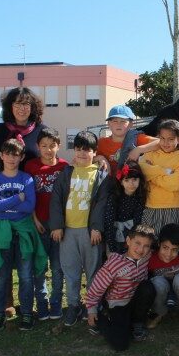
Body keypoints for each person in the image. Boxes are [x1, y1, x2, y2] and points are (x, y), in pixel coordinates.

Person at [50, 131, 111, 327]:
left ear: (95, 152)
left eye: (87, 150)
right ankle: (73, 306)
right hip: (68, 232)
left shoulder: (101, 175)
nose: (82, 153)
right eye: (78, 149)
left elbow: (102, 204)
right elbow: (56, 201)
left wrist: (96, 228)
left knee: (93, 271)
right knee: (71, 272)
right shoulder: (66, 173)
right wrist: (57, 225)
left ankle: (92, 306)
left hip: (89, 233)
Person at [0, 138, 46, 331]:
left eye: (16, 155)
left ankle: (27, 313)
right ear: (1, 155)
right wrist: (17, 198)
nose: (12, 158)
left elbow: (29, 206)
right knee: (2, 276)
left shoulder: (26, 179)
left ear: (21, 157)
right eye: (8, 154)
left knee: (26, 275)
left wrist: (11, 206)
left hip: (23, 232)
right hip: (3, 233)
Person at [86, 224, 156, 351]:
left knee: (148, 287)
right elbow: (97, 286)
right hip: (118, 304)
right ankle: (102, 319)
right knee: (120, 345)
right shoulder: (114, 263)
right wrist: (92, 309)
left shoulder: (147, 256)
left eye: (146, 246)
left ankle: (137, 323)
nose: (141, 249)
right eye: (137, 243)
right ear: (128, 241)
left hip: (135, 301)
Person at [24, 127, 68, 321]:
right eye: (44, 146)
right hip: (38, 224)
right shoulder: (31, 167)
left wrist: (61, 224)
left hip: (59, 226)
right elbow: (28, 196)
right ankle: (42, 304)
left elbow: (68, 199)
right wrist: (34, 220)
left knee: (58, 267)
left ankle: (56, 303)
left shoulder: (65, 167)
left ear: (58, 146)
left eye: (52, 146)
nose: (48, 150)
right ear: (38, 147)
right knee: (39, 267)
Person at [139, 119, 179, 236]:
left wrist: (152, 176)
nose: (166, 143)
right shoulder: (151, 153)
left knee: (173, 246)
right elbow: (142, 169)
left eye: (171, 139)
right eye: (162, 138)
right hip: (151, 207)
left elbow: (175, 184)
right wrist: (164, 171)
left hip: (174, 208)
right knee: (150, 247)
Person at [146, 223, 179, 330]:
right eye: (165, 247)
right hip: (161, 295)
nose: (169, 253)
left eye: (175, 249)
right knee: (157, 282)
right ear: (159, 244)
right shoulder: (150, 258)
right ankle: (157, 312)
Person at [0, 87, 47, 165]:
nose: (22, 108)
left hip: (32, 177)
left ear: (32, 107)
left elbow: (50, 159)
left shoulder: (42, 132)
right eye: (17, 103)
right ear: (10, 106)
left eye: (26, 104)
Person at [96, 105, 158, 177]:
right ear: (109, 124)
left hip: (132, 185)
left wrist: (138, 150)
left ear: (131, 124)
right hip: (109, 185)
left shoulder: (137, 138)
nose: (119, 124)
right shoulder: (102, 142)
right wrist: (100, 158)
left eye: (123, 121)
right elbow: (84, 156)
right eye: (115, 121)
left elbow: (161, 142)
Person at [104, 161, 146, 255]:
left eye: (134, 179)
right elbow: (109, 221)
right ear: (121, 182)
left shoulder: (140, 197)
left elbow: (137, 220)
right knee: (114, 263)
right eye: (126, 180)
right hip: (114, 234)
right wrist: (111, 248)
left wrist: (133, 241)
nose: (131, 184)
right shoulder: (114, 197)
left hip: (131, 236)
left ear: (140, 180)